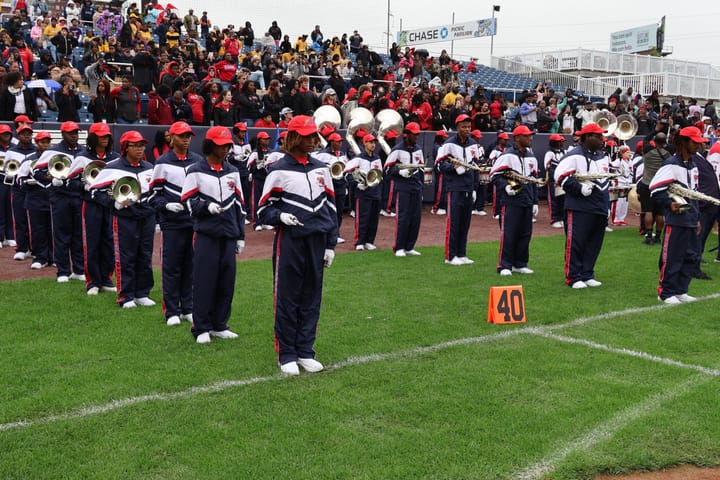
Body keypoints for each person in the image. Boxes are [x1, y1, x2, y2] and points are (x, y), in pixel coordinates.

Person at [256, 115, 337, 375]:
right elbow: (263, 210)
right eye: (305, 135)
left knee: (312, 297)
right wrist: (280, 216)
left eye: (313, 135)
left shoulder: (321, 168)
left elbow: (331, 209)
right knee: (287, 297)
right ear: (293, 137)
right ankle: (287, 353)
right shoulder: (278, 169)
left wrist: (330, 245)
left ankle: (305, 350)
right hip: (290, 241)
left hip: (317, 240)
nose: (312, 140)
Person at [180, 126, 246, 344]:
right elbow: (188, 201)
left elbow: (239, 206)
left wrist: (240, 236)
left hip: (228, 235)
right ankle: (201, 328)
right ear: (210, 145)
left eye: (228, 145)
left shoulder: (233, 171)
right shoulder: (195, 170)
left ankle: (220, 324)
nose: (225, 149)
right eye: (221, 145)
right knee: (204, 281)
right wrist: (206, 207)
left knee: (226, 282)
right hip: (206, 234)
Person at [90, 131, 156, 308]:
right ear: (126, 147)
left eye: (142, 145)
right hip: (125, 218)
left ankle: (142, 293)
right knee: (126, 256)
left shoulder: (150, 167)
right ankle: (125, 296)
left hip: (147, 217)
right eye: (136, 145)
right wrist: (114, 204)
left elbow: (156, 192)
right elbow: (95, 191)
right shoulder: (112, 167)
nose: (140, 149)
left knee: (145, 254)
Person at [150, 121, 203, 326]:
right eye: (182, 136)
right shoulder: (162, 162)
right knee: (171, 267)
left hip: (193, 221)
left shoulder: (198, 161)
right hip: (172, 223)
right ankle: (171, 310)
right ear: (171, 138)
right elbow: (153, 195)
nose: (186, 139)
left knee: (190, 266)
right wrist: (166, 206)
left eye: (188, 136)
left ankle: (187, 307)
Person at [649, 126, 708, 304]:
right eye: (694, 142)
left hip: (691, 219)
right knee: (672, 256)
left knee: (691, 256)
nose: (698, 146)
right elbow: (655, 189)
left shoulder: (693, 165)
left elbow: (694, 194)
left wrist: (697, 217)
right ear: (683, 142)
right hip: (676, 220)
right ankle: (666, 292)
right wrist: (669, 204)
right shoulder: (672, 165)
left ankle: (681, 289)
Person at [554, 123, 611, 288]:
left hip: (599, 206)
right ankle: (574, 276)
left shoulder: (602, 155)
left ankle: (587, 273)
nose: (602, 139)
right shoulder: (574, 154)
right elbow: (560, 176)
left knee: (594, 242)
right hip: (579, 206)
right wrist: (579, 189)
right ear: (587, 137)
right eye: (598, 136)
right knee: (577, 242)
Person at [67, 122, 119, 294]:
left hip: (110, 205)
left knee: (109, 242)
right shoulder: (82, 158)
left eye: (107, 136)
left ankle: (106, 278)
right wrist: (84, 186)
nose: (105, 139)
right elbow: (70, 181)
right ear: (93, 137)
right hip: (90, 205)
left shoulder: (115, 158)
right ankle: (92, 281)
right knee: (91, 242)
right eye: (101, 136)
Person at [490, 125, 540, 276]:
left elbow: (534, 180)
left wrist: (535, 201)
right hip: (510, 201)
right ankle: (504, 265)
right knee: (509, 233)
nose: (530, 138)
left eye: (530, 136)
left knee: (525, 234)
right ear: (517, 138)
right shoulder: (507, 156)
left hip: (527, 200)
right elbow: (494, 175)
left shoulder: (532, 156)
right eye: (527, 136)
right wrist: (505, 187)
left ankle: (520, 263)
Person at [39, 121, 84, 282]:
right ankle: (63, 271)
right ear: (62, 133)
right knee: (61, 234)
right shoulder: (52, 151)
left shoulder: (83, 151)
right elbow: (37, 171)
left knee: (78, 234)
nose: (74, 135)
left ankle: (79, 270)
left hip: (78, 196)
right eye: (71, 132)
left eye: (76, 132)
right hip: (60, 196)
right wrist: (50, 178)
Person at [435, 114, 478, 265]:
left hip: (468, 187)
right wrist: (454, 168)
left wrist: (474, 188)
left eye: (468, 127)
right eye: (464, 127)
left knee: (465, 223)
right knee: (453, 223)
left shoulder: (473, 143)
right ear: (457, 127)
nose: (467, 129)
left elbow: (475, 167)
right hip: (454, 188)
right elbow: (439, 165)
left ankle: (462, 253)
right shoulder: (448, 144)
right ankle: (450, 256)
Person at [384, 122, 424, 257]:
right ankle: (399, 247)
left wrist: (421, 186)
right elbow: (387, 168)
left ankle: (409, 246)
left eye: (418, 134)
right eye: (414, 134)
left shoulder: (418, 149)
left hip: (416, 187)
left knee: (416, 218)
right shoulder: (397, 150)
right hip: (403, 188)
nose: (417, 137)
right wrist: (400, 172)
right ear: (406, 135)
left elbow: (421, 169)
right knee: (403, 218)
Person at [17, 130, 53, 269]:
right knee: (38, 231)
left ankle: (53, 257)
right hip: (35, 199)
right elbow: (20, 178)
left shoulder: (56, 158)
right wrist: (27, 183)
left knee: (53, 230)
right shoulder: (29, 159)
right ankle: (40, 257)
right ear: (37, 143)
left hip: (52, 199)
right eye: (43, 142)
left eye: (47, 142)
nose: (46, 145)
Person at [345, 133, 382, 251]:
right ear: (364, 143)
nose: (373, 144)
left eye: (374, 142)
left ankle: (369, 241)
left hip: (375, 193)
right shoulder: (358, 158)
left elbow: (380, 175)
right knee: (362, 218)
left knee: (373, 219)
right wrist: (357, 184)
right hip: (362, 193)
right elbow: (346, 172)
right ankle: (359, 241)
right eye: (370, 142)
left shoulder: (377, 158)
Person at [5, 124, 36, 261]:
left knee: (35, 221)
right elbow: (8, 170)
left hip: (34, 189)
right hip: (18, 189)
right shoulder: (11, 151)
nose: (26, 136)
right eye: (23, 134)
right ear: (18, 135)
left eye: (29, 134)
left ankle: (35, 248)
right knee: (19, 218)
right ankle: (22, 248)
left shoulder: (36, 151)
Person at [314, 132, 347, 244]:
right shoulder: (322, 154)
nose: (340, 144)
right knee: (328, 210)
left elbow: (345, 169)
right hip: (329, 186)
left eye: (341, 142)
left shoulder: (342, 154)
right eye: (338, 141)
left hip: (341, 185)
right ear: (332, 142)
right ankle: (327, 233)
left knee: (339, 211)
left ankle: (336, 233)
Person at [639, 133, 670, 244]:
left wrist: (655, 130)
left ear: (655, 141)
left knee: (648, 210)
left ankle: (648, 236)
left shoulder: (648, 151)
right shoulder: (668, 153)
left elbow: (646, 139)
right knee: (660, 213)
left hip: (647, 183)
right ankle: (657, 236)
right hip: (661, 185)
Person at [247, 131, 272, 231]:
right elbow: (248, 167)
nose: (267, 140)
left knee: (267, 200)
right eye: (264, 139)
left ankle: (266, 221)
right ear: (260, 140)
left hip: (268, 179)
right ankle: (257, 222)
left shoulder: (270, 151)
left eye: (268, 139)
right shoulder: (255, 153)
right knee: (256, 200)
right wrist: (257, 167)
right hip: (257, 179)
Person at [545, 134, 567, 228]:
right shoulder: (549, 153)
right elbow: (546, 166)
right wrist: (553, 177)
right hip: (553, 180)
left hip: (562, 179)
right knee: (553, 200)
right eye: (558, 142)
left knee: (562, 199)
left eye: (560, 142)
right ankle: (554, 219)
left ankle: (561, 218)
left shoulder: (564, 152)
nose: (560, 143)